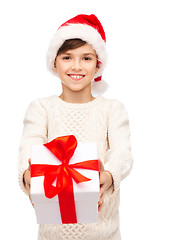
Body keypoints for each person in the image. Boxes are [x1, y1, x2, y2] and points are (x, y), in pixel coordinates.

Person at [18, 14, 133, 240]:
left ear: (98, 64)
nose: (77, 66)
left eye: (86, 58)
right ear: (54, 62)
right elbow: (29, 146)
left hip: (104, 234)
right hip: (52, 235)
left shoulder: (112, 110)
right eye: (67, 57)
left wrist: (108, 175)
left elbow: (122, 154)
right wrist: (27, 173)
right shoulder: (41, 109)